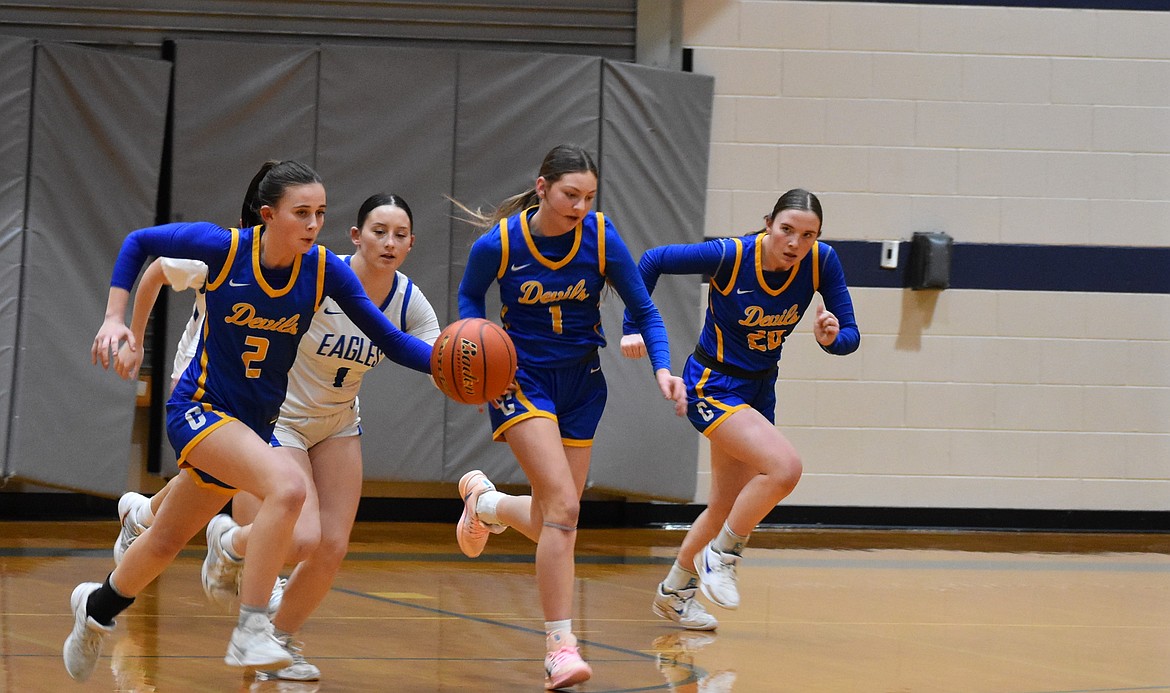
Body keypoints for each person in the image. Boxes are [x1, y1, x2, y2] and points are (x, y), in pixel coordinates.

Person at [66, 161, 434, 682]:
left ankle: (96, 607)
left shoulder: (324, 269)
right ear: (268, 215)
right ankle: (252, 627)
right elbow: (139, 243)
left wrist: (451, 367)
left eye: (320, 213)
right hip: (200, 407)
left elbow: (391, 340)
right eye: (301, 212)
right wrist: (114, 319)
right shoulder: (223, 248)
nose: (313, 224)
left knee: (167, 541)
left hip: (252, 423)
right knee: (288, 487)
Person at [451, 144, 687, 690]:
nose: (580, 207)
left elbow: (645, 310)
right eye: (570, 195)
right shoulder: (501, 243)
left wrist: (662, 368)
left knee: (553, 520)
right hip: (522, 381)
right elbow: (469, 296)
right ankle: (560, 647)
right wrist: (476, 352)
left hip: (583, 383)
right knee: (563, 508)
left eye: (589, 197)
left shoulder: (601, 238)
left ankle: (485, 504)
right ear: (542, 188)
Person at [620, 188, 859, 631]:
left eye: (808, 235)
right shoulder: (730, 256)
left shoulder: (822, 262)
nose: (796, 243)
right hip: (712, 384)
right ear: (768, 224)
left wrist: (832, 337)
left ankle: (675, 593)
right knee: (785, 468)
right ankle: (724, 555)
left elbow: (850, 336)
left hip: (759, 391)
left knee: (725, 505)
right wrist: (632, 325)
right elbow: (652, 260)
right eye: (787, 229)